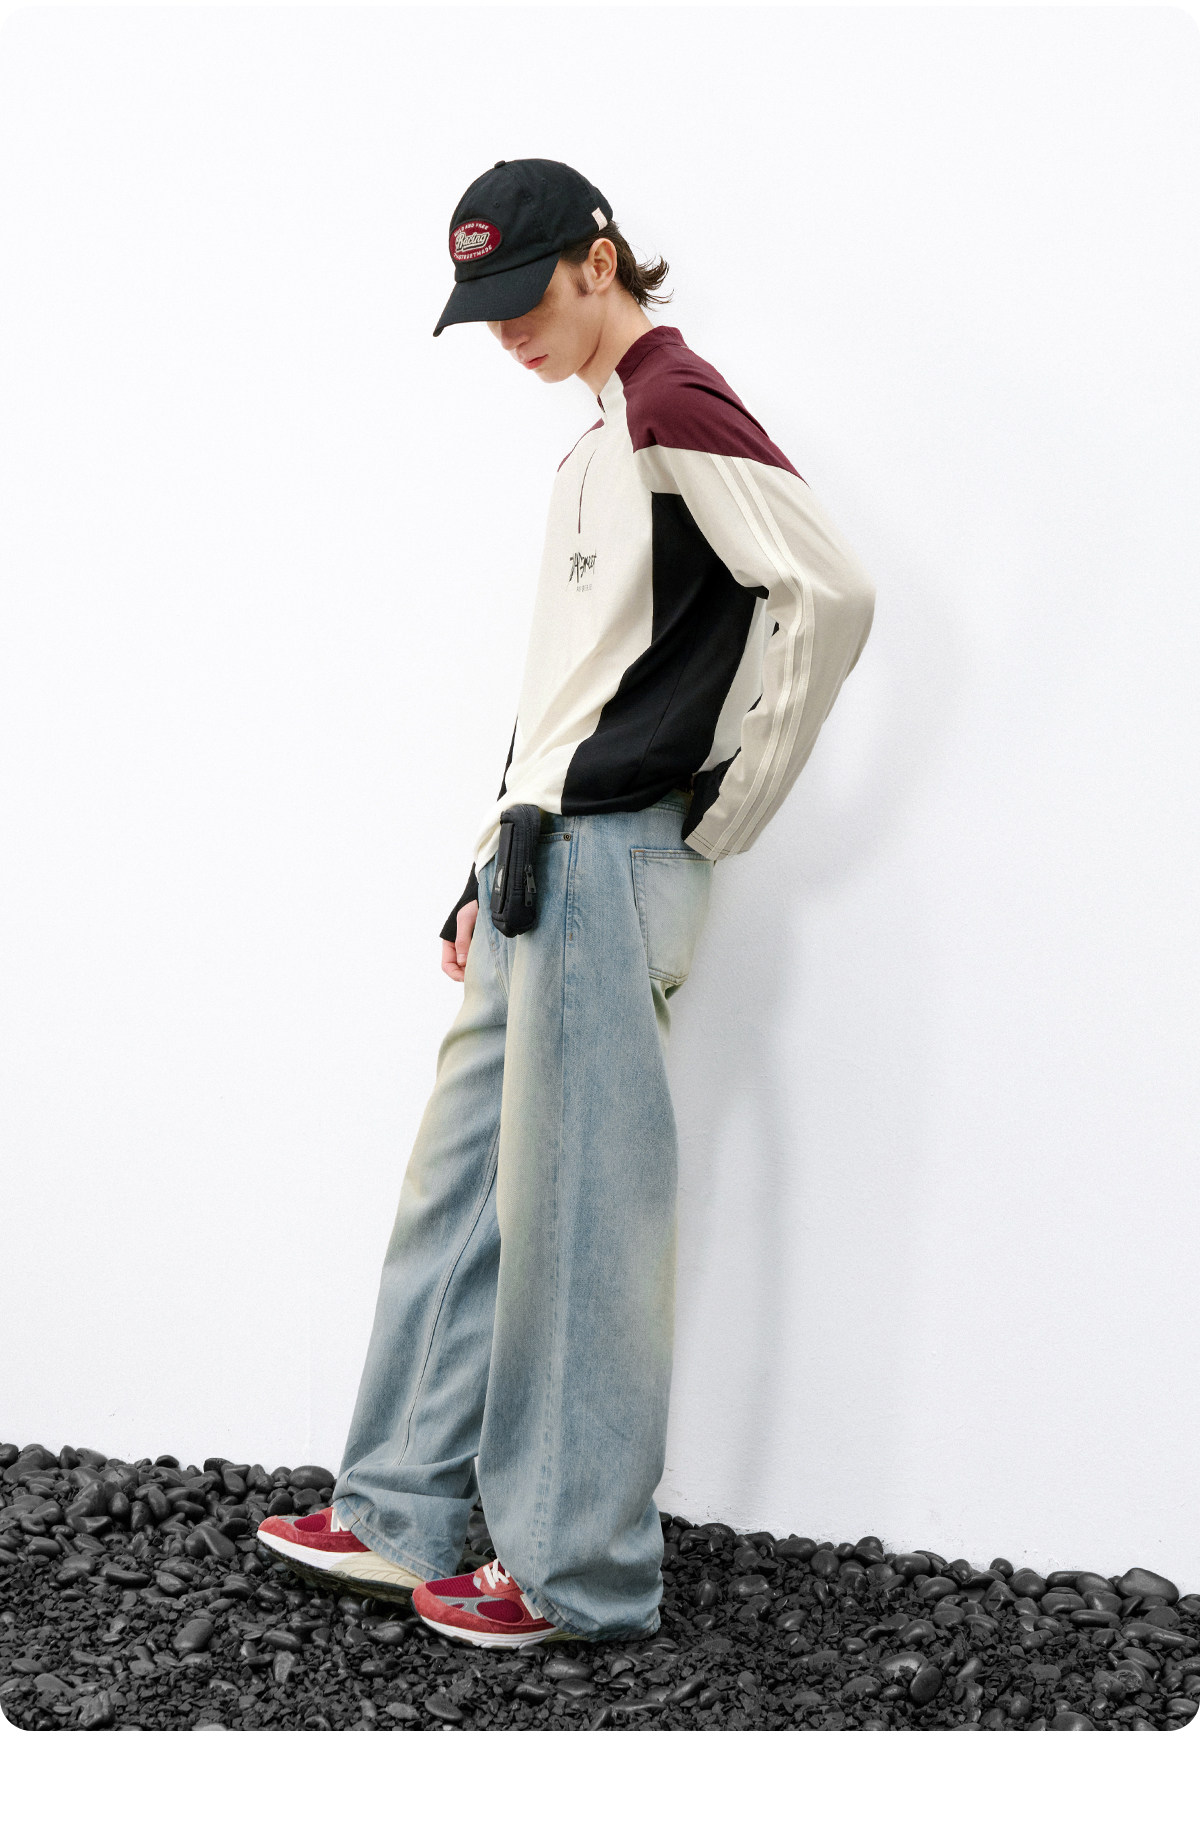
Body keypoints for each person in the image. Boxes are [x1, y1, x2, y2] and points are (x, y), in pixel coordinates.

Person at [258, 157, 876, 1648]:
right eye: (482, 307)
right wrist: (482, 864)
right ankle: (398, 1506)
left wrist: (730, 802)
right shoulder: (601, 440)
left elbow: (827, 591)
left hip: (608, 860)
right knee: (463, 1189)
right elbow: (571, 691)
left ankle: (577, 1571)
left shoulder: (672, 402)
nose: (505, 331)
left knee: (581, 1218)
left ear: (601, 258)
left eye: (521, 293)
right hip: (538, 859)